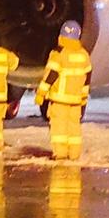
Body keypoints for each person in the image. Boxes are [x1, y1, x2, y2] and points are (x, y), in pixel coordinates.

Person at [38, 20, 92, 161]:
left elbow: (51, 75)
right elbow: (86, 80)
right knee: (74, 129)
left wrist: (41, 93)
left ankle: (60, 154)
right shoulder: (84, 55)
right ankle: (74, 154)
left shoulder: (59, 53)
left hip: (60, 99)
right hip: (75, 100)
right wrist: (83, 99)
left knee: (59, 128)